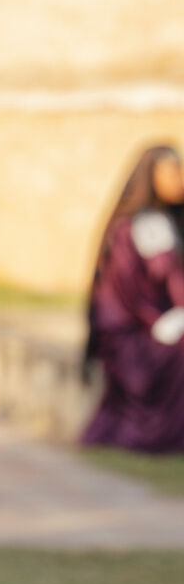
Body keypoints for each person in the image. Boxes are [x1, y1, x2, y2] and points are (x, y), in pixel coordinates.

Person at [81, 144, 184, 452]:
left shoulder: (166, 222)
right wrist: (162, 320)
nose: (179, 179)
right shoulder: (135, 227)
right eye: (172, 172)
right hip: (132, 337)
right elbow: (134, 292)